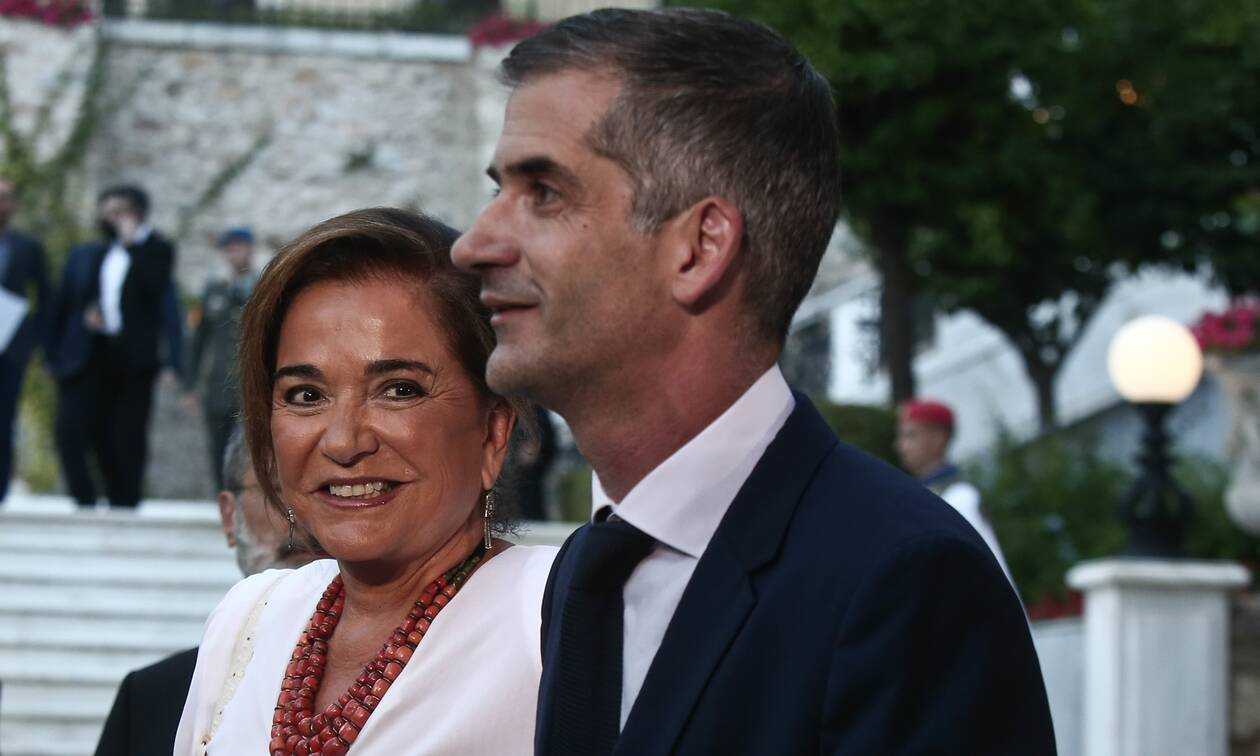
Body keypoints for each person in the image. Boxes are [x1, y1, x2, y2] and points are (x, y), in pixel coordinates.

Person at [452, 8, 1055, 754]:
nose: (474, 244)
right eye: (500, 190)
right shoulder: (586, 572)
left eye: (543, 192)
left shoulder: (904, 582)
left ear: (700, 248)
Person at [175, 208, 557, 755]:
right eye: (306, 395)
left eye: (399, 389)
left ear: (494, 431)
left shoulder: (554, 621)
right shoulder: (248, 622)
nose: (343, 442)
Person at [95, 424, 319, 756]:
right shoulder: (150, 700)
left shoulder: (395, 687)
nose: (300, 517)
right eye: (278, 491)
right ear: (229, 515)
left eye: (326, 489)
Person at [48, 184, 177, 508]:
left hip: (134, 357)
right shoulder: (93, 251)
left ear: (136, 213)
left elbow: (155, 292)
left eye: (118, 211)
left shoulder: (157, 249)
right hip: (93, 353)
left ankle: (124, 500)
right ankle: (86, 498)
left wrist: (133, 245)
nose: (110, 218)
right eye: (106, 212)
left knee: (128, 432)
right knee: (76, 429)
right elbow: (70, 301)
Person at [897, 398, 1014, 584]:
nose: (901, 446)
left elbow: (987, 571)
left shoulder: (960, 497)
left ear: (938, 438)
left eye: (911, 436)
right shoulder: (925, 496)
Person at [184, 227, 258, 489]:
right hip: (218, 387)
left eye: (239, 248)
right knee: (218, 451)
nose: (234, 254)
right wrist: (190, 385)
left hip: (252, 385)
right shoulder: (214, 291)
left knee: (251, 453)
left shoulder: (263, 288)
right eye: (229, 249)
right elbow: (197, 341)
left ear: (250, 250)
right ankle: (223, 500)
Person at [0, 176, 50, 500]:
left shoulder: (27, 247)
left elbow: (45, 297)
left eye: (4, 197)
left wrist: (35, 342)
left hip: (10, 344)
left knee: (4, 417)